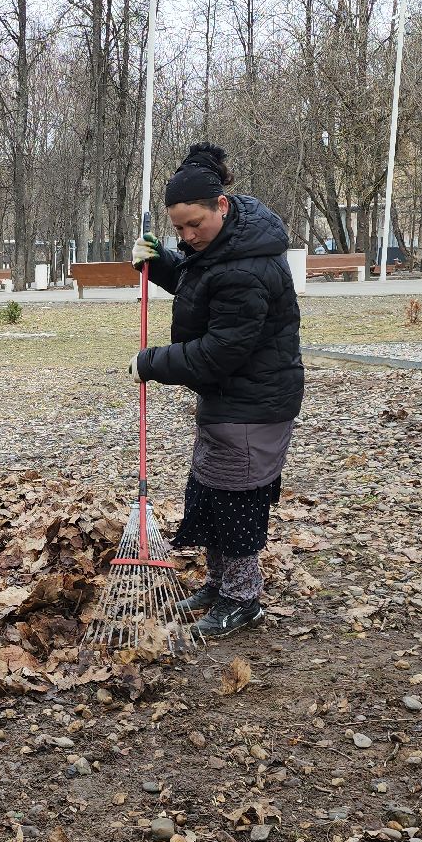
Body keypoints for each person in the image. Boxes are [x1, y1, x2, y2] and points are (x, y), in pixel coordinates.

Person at [130, 144, 302, 639]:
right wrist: (160, 262)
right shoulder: (224, 248)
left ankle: (243, 599)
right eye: (177, 229)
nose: (187, 236)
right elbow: (198, 284)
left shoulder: (248, 267)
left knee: (237, 500)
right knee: (211, 488)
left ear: (221, 207)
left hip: (255, 401)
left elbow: (219, 351)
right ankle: (219, 583)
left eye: (194, 226)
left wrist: (151, 362)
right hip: (230, 398)